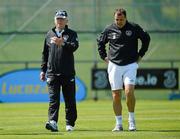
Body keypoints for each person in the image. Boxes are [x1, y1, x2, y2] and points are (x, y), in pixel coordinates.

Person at [97, 8, 150, 132]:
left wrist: (140, 55)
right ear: (114, 18)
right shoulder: (109, 29)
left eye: (121, 19)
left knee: (128, 92)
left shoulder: (134, 27)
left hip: (130, 65)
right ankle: (118, 124)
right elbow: (100, 42)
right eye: (117, 19)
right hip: (114, 65)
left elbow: (146, 39)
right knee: (116, 95)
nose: (119, 22)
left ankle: (132, 121)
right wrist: (104, 57)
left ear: (126, 18)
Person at [40, 10, 79, 132]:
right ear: (54, 20)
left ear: (66, 20)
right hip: (52, 73)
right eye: (58, 19)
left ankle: (70, 124)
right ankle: (53, 122)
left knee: (70, 100)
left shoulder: (72, 33)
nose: (60, 21)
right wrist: (43, 70)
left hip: (68, 73)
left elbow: (74, 46)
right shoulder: (49, 34)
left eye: (62, 19)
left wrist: (63, 42)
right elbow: (45, 54)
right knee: (53, 99)